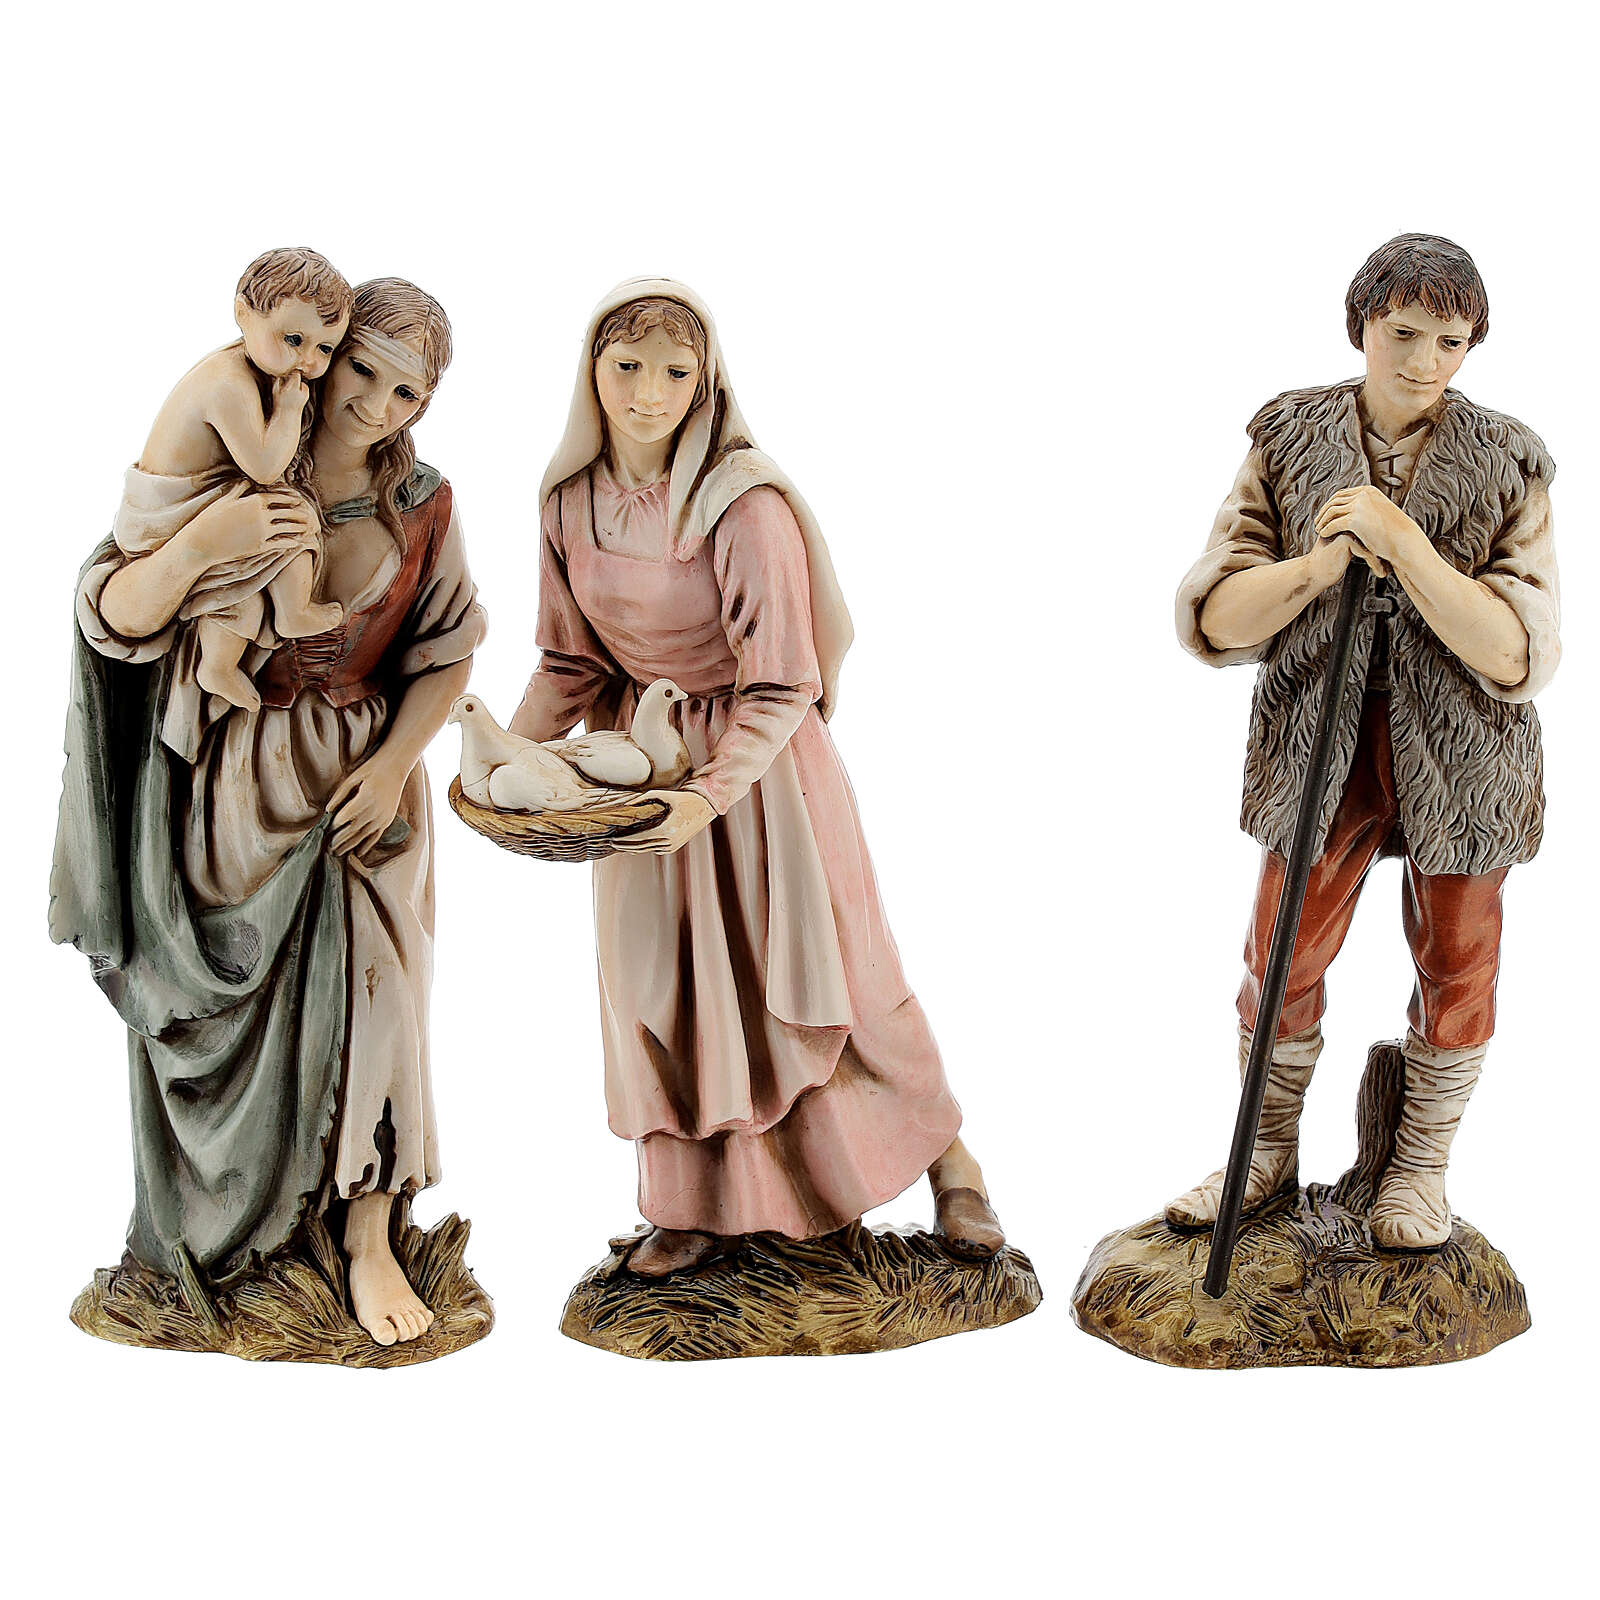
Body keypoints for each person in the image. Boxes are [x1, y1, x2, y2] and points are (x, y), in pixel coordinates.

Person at [511, 278, 1005, 1277]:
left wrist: (708, 792)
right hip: (643, 772)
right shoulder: (568, 502)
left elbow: (782, 682)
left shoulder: (741, 504)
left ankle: (952, 1165)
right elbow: (569, 661)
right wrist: (504, 762)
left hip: (765, 776)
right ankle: (691, 1205)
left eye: (674, 371)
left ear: (707, 379)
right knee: (665, 996)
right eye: (626, 367)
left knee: (836, 984)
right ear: (591, 369)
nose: (648, 393)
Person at [51, 276, 486, 1346]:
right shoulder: (232, 464)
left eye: (407, 391)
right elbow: (111, 610)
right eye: (362, 369)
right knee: (220, 1010)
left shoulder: (422, 502)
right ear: (320, 354)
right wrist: (204, 547)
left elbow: (447, 650)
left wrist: (392, 764)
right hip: (235, 780)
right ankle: (220, 1238)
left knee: (382, 999)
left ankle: (368, 1233)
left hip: (362, 780)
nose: (376, 403)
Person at [1165, 235, 1559, 1248]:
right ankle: (1263, 1152)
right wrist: (1313, 571)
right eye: (1404, 333)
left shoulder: (1509, 461)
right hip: (1317, 738)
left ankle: (1419, 1165)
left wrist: (1406, 548)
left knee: (1459, 954)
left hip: (1464, 753)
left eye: (1449, 341)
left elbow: (1520, 650)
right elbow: (1212, 617)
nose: (1424, 361)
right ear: (1363, 326)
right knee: (1281, 947)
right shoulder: (1288, 437)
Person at [115, 247, 352, 711]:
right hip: (170, 515)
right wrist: (289, 410)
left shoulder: (257, 368)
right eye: (293, 339)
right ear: (243, 313)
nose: (307, 360)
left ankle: (218, 665)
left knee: (244, 570)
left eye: (325, 348)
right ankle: (292, 612)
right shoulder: (227, 384)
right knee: (287, 516)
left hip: (197, 498)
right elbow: (265, 467)